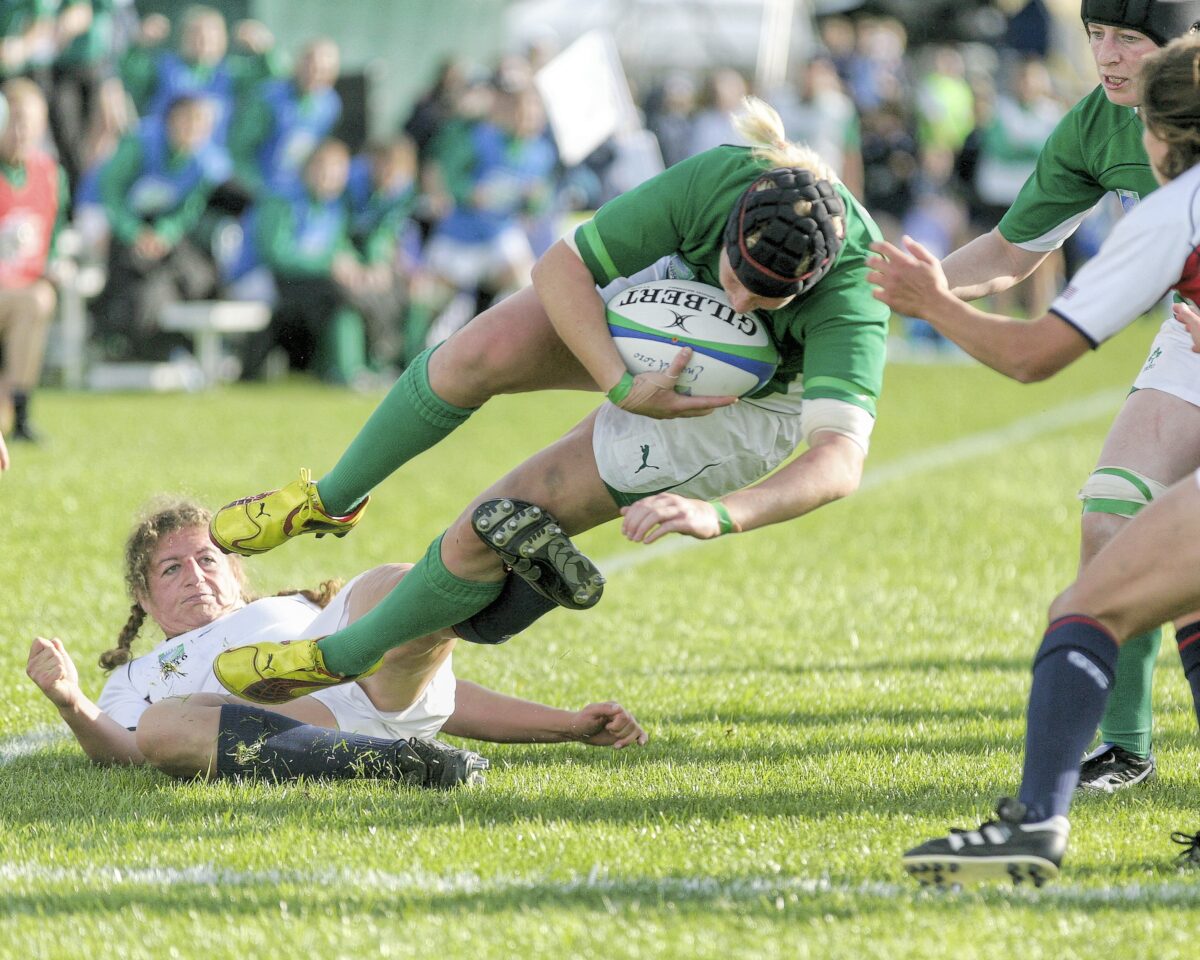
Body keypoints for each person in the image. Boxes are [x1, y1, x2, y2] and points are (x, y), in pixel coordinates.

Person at [205, 96, 889, 705]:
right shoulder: (721, 179)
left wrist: (719, 514)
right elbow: (561, 267)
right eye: (736, 274)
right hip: (667, 309)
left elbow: (838, 463)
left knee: (497, 522)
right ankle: (332, 497)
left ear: (815, 280)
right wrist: (621, 384)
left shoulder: (854, 294)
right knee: (477, 352)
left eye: (765, 298)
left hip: (742, 408)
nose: (738, 300)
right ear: (736, 223)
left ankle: (336, 658)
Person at [868, 0, 1200, 792]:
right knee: (1110, 521)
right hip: (1191, 336)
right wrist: (914, 285)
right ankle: (1125, 746)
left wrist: (932, 304)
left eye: (1131, 39)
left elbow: (1034, 357)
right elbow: (1015, 249)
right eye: (1097, 36)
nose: (1110, 57)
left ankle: (1038, 812)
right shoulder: (1096, 126)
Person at [25, 500, 647, 785]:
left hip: (375, 680)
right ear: (143, 597)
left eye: (210, 559)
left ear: (238, 570)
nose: (197, 575)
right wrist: (70, 701)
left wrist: (566, 725)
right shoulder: (135, 679)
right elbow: (126, 755)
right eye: (172, 568)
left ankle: (517, 595)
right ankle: (400, 764)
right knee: (162, 727)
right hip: (309, 724)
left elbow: (445, 698)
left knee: (387, 586)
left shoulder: (295, 606)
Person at [94, 94, 227, 361]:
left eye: (201, 124)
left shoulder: (205, 164)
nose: (193, 130)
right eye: (187, 121)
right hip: (109, 218)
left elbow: (189, 209)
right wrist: (133, 231)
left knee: (196, 277)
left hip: (160, 230)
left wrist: (165, 234)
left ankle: (183, 349)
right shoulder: (139, 144)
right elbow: (109, 190)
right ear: (170, 121)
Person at [0, 78, 68, 444]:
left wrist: (55, 266)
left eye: (30, 122)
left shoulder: (50, 174)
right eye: (13, 120)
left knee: (40, 298)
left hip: (20, 292)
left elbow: (51, 242)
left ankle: (20, 410)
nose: (21, 130)